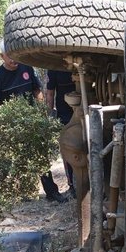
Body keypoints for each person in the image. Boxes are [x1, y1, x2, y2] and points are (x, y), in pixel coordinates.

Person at [0, 41, 68, 203]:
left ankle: (52, 193)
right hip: (13, 126)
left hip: (32, 122)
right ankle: (20, 193)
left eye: (14, 55)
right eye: (8, 56)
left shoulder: (27, 68)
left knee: (41, 159)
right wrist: (4, 124)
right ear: (1, 56)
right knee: (16, 160)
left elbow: (37, 91)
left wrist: (41, 113)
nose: (13, 59)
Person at [45, 70, 77, 200]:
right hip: (64, 115)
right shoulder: (53, 67)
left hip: (86, 108)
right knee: (68, 150)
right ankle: (72, 185)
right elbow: (50, 93)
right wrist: (49, 117)